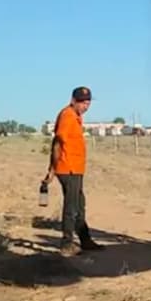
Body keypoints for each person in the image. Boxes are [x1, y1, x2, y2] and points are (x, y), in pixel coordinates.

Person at [43, 86, 104, 256]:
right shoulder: (67, 115)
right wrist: (52, 169)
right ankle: (66, 243)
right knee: (71, 207)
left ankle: (85, 240)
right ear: (73, 101)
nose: (86, 106)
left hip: (76, 168)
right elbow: (57, 143)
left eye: (88, 102)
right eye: (82, 102)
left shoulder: (76, 117)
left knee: (80, 204)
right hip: (67, 168)